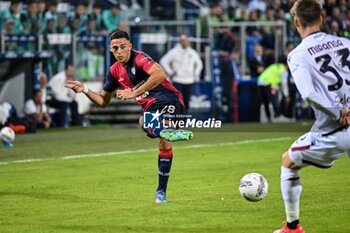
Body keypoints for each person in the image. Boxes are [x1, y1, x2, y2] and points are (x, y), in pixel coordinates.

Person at [65, 30, 193, 204]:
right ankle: (167, 138)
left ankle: (161, 187)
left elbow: (160, 74)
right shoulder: (114, 72)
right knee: (147, 126)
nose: (119, 51)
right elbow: (103, 101)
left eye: (123, 47)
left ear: (130, 46)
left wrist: (134, 92)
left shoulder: (139, 58)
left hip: (169, 100)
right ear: (110, 49)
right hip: (151, 107)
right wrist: (85, 90)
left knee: (148, 124)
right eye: (115, 48)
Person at [274, 1, 350, 232]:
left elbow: (308, 93)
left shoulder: (297, 55)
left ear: (296, 22)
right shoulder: (346, 43)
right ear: (323, 17)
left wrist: (339, 112)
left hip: (335, 129)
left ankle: (292, 227)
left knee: (288, 162)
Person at [160, 34, 203, 110]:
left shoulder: (192, 52)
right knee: (178, 101)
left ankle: (185, 119)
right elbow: (163, 61)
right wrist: (170, 72)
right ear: (180, 42)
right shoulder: (174, 52)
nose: (185, 43)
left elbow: (199, 64)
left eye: (186, 41)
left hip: (189, 80)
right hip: (177, 80)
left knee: (186, 101)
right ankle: (178, 118)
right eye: (183, 41)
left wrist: (195, 74)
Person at [47, 63, 81, 128]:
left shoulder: (70, 79)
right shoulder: (58, 78)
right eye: (70, 71)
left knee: (74, 103)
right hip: (51, 99)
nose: (71, 73)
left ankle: (76, 124)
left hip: (63, 99)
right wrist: (69, 100)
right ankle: (61, 125)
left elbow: (73, 96)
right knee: (64, 104)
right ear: (66, 70)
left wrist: (71, 84)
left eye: (72, 71)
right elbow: (57, 94)